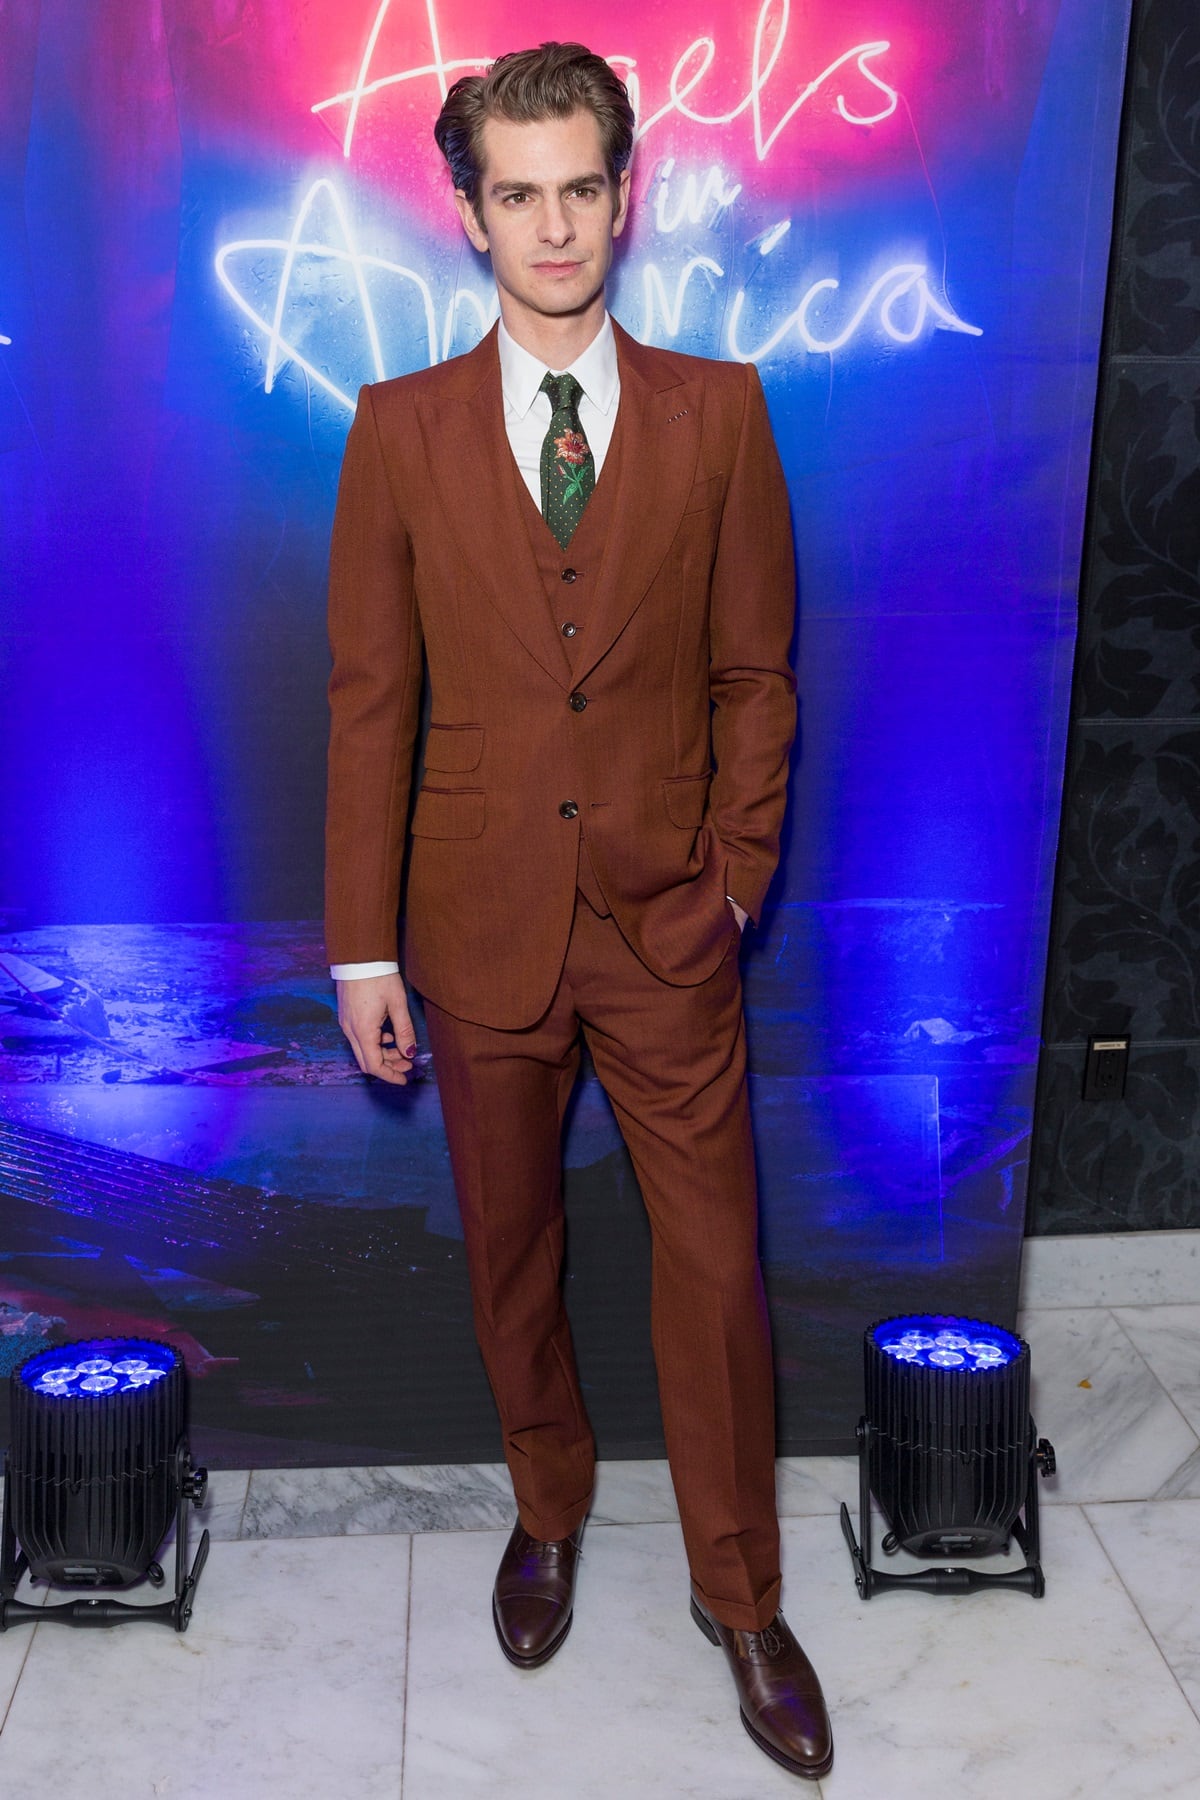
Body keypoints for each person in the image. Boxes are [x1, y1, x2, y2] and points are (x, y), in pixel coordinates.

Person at [325, 41, 832, 1780]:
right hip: (472, 934)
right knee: (511, 1256)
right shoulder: (393, 433)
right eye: (518, 193)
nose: (556, 226)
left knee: (714, 1277)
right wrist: (362, 944)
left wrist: (737, 887)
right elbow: (368, 702)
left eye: (583, 189)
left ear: (629, 194)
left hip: (670, 930)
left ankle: (743, 1598)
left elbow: (758, 674)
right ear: (468, 212)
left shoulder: (722, 411)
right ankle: (548, 1508)